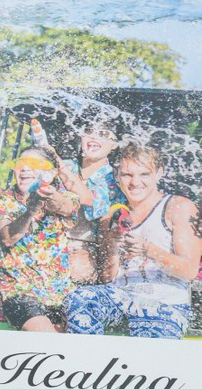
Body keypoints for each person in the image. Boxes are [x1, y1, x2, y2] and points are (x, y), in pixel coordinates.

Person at [64, 143, 201, 338]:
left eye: (144, 174)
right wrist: (112, 246)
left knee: (148, 342)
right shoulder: (111, 215)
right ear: (117, 175)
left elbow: (189, 270)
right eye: (128, 175)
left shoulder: (178, 207)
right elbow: (107, 279)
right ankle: (87, 358)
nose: (135, 182)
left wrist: (147, 249)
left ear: (159, 173)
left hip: (164, 303)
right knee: (79, 298)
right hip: (121, 297)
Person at [0, 147, 77, 334]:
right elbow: (7, 237)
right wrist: (30, 210)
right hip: (19, 291)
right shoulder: (0, 200)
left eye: (33, 164)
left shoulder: (67, 196)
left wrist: (46, 195)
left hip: (61, 294)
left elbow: (65, 207)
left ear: (51, 173)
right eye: (20, 164)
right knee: (47, 338)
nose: (25, 168)